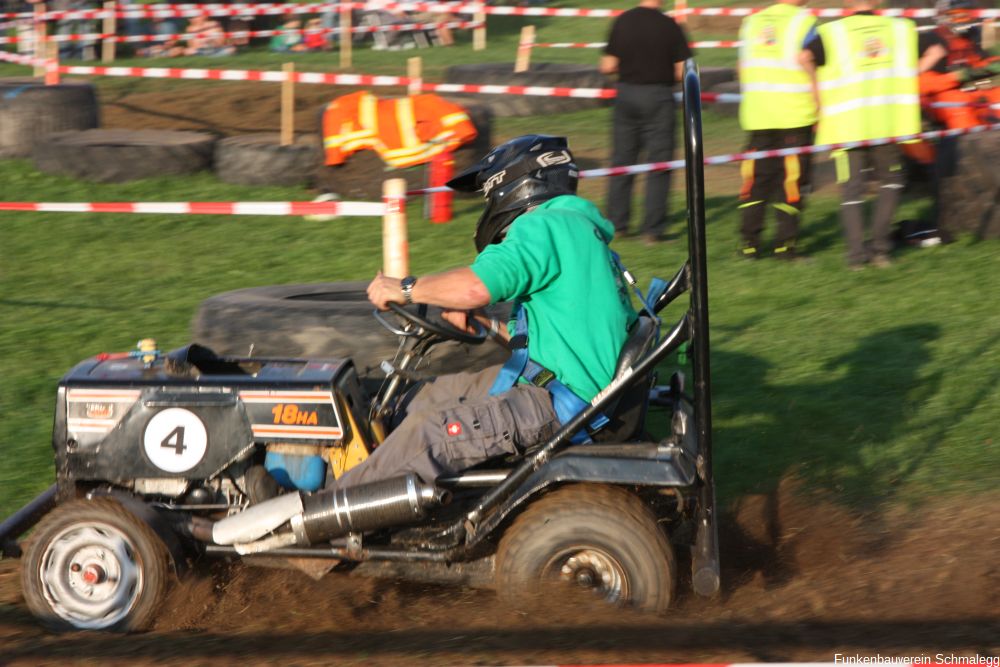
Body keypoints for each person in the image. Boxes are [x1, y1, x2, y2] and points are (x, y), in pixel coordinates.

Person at [330, 135, 637, 490]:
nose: (489, 204)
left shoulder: (543, 226)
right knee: (429, 395)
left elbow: (475, 288)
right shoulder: (580, 230)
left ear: (515, 185)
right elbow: (567, 333)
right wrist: (488, 325)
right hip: (565, 384)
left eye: (490, 193)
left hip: (557, 403)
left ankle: (311, 520)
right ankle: (381, 488)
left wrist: (405, 288)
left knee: (426, 435)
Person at [799, 0, 921, 269]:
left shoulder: (832, 33)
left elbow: (804, 57)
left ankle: (856, 257)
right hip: (887, 121)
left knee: (851, 188)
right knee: (891, 182)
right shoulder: (901, 29)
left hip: (847, 124)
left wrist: (815, 89)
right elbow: (933, 50)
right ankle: (880, 251)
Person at [600, 0, 692, 245]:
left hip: (627, 95)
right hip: (658, 97)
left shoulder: (623, 20)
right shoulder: (671, 25)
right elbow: (682, 71)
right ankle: (652, 230)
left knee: (622, 161)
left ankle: (617, 224)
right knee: (659, 165)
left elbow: (607, 65)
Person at [736, 0, 818, 260]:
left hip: (758, 114)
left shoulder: (751, 22)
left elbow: (741, 67)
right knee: (791, 182)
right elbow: (809, 62)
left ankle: (749, 244)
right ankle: (785, 246)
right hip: (794, 114)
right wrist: (819, 98)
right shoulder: (805, 21)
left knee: (755, 182)